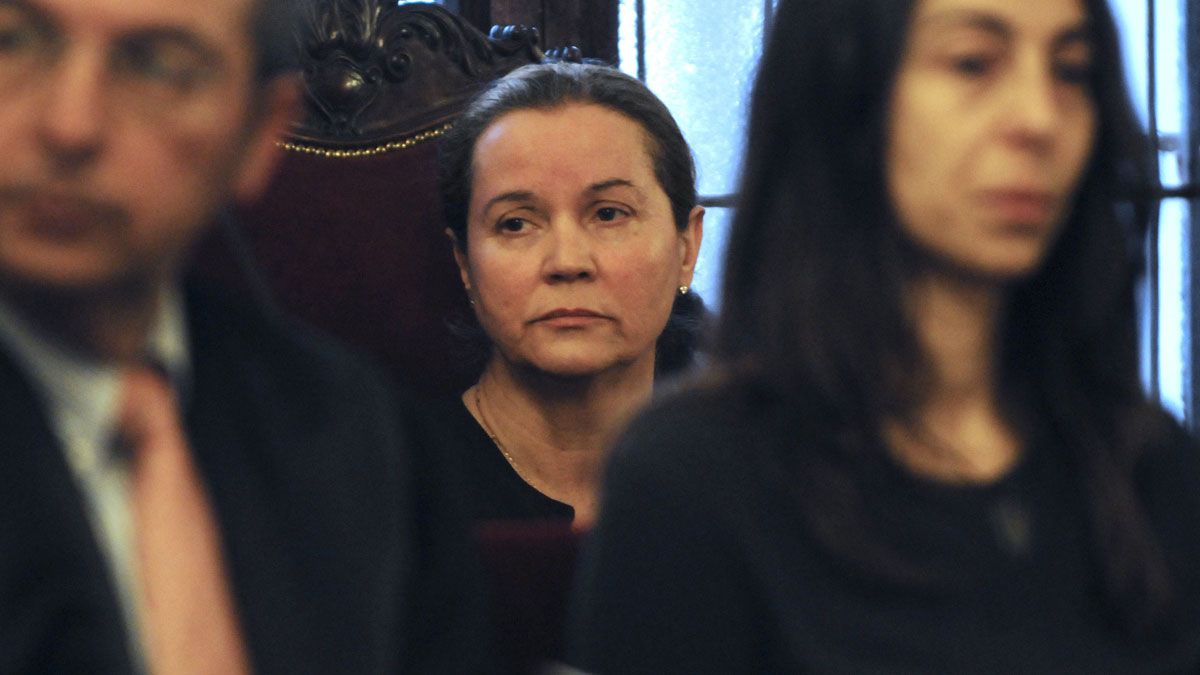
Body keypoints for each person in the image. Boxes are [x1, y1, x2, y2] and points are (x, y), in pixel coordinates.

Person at [568, 0, 1200, 672]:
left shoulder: (1148, 463)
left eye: (1072, 71)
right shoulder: (695, 478)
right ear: (845, 93)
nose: (1039, 119)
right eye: (973, 63)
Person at [0, 0, 474, 671]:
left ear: (257, 135)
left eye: (161, 66)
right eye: (14, 41)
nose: (70, 124)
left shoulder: (354, 433)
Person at [427, 62, 704, 528]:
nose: (567, 262)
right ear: (464, 263)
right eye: (516, 223)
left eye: (609, 214)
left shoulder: (763, 481)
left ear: (686, 248)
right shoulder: (392, 486)